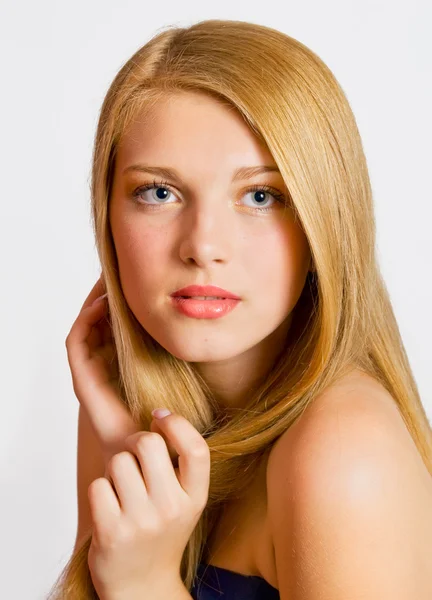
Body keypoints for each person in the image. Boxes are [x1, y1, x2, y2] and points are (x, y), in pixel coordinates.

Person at [48, 18, 432, 600]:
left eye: (259, 196)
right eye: (159, 192)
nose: (203, 245)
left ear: (322, 226)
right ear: (108, 218)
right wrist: (119, 442)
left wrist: (146, 583)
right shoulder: (124, 409)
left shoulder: (346, 455)